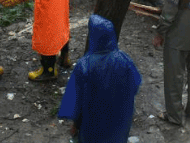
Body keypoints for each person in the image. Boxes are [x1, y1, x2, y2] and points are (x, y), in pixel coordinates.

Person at [58, 14, 142, 143]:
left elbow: (75, 100)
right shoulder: (124, 60)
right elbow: (135, 85)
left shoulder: (84, 65)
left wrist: (75, 126)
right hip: (119, 121)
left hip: (92, 124)